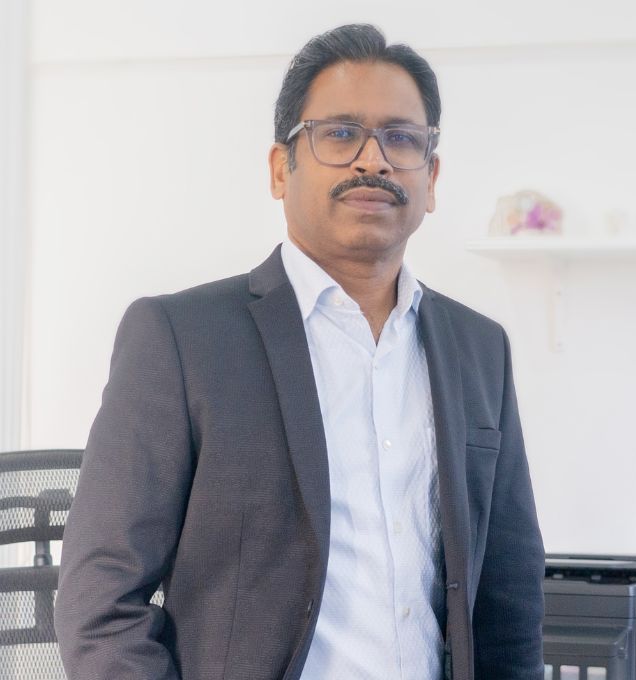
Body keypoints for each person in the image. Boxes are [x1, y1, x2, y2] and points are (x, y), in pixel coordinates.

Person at [55, 23, 544, 680]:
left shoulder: (478, 348)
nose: (373, 160)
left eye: (401, 139)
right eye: (339, 134)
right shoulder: (181, 339)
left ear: (430, 178)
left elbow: (509, 596)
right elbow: (99, 605)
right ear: (280, 168)